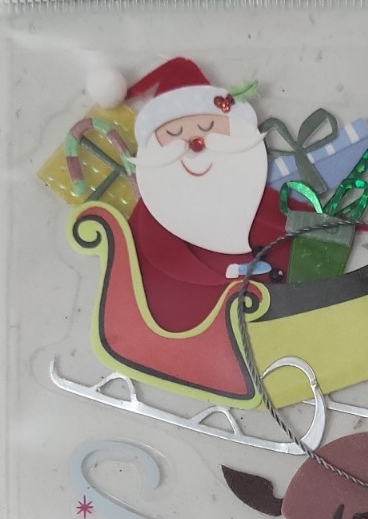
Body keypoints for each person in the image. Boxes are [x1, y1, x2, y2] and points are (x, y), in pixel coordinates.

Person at [93, 57, 297, 332]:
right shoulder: (154, 213)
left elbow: (290, 217)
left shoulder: (253, 195)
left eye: (207, 128)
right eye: (174, 132)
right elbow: (145, 260)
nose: (194, 144)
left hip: (283, 311)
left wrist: (344, 225)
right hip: (185, 321)